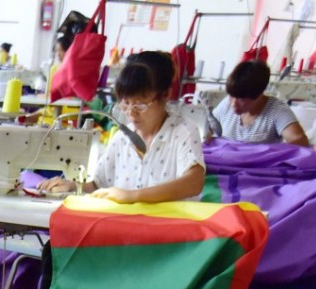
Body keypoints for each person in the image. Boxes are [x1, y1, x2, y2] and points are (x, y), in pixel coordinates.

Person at [38, 51, 205, 204]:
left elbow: (193, 183)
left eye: (140, 105)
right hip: (124, 230)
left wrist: (133, 196)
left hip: (167, 233)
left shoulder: (182, 133)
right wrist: (72, 186)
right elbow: (99, 183)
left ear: (166, 95)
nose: (131, 114)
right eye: (125, 103)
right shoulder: (123, 138)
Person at [212, 60, 309, 146]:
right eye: (231, 96)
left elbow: (299, 140)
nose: (233, 103)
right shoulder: (226, 104)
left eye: (241, 99)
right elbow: (208, 127)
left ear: (259, 94)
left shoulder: (277, 110)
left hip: (256, 166)